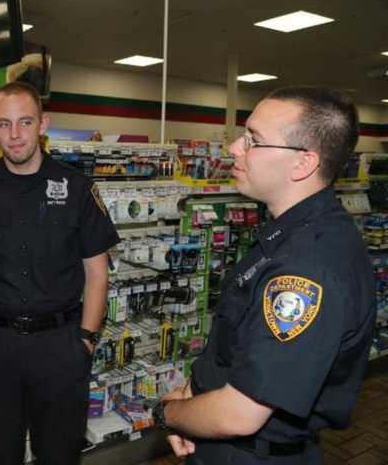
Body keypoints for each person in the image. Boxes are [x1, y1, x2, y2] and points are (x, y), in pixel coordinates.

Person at [155, 87, 376, 464]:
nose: (234, 149)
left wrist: (166, 414)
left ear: (302, 163)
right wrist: (191, 401)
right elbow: (234, 348)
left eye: (253, 140)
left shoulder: (308, 268)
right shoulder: (289, 235)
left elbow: (240, 414)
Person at [0, 81, 119, 464]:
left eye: (25, 122)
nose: (15, 134)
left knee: (59, 454)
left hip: (60, 344)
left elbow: (97, 271)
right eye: (4, 124)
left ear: (43, 124)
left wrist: (85, 340)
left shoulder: (76, 188)